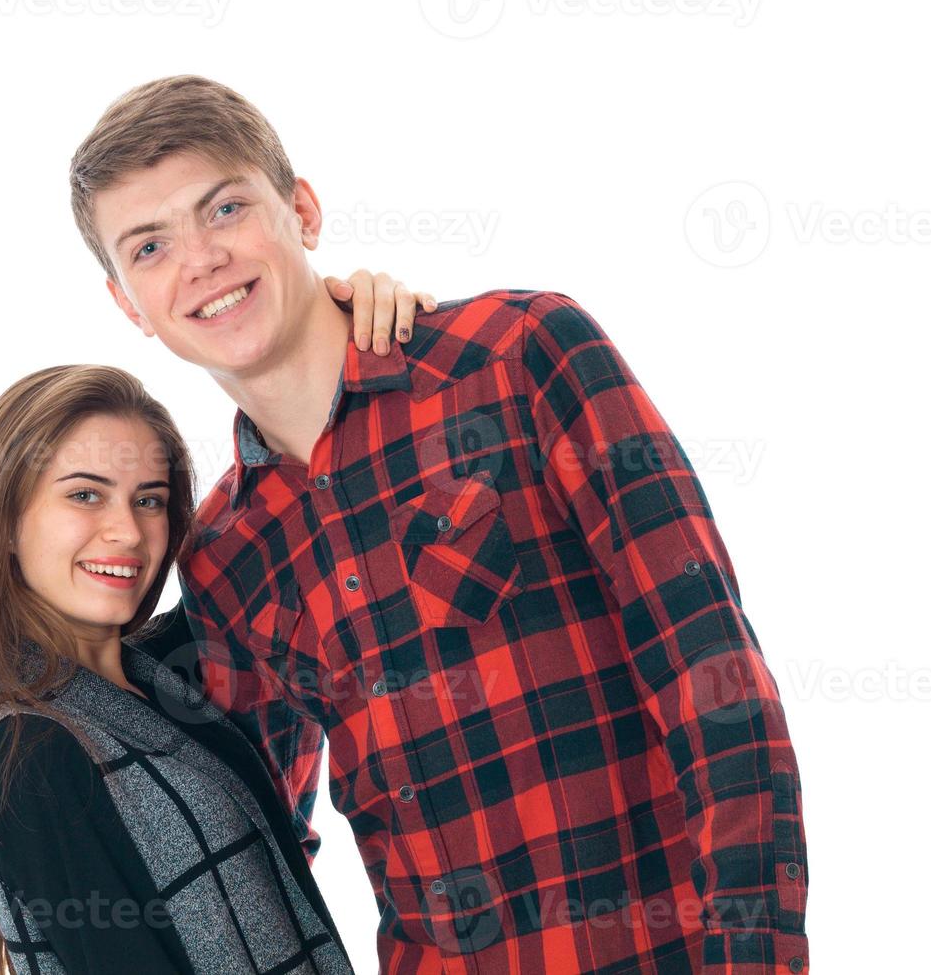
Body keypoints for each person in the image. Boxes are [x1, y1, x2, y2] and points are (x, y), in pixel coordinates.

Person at [68, 75, 812, 974]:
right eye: (150, 246)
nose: (200, 259)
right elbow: (264, 850)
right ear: (126, 305)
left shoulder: (520, 355)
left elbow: (714, 681)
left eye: (225, 208)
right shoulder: (226, 551)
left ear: (301, 210)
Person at [0, 279, 430, 974]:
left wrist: (336, 323)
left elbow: (290, 525)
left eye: (149, 499)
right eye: (85, 495)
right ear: (5, 521)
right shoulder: (29, 750)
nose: (126, 530)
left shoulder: (168, 673)